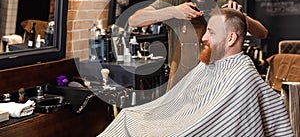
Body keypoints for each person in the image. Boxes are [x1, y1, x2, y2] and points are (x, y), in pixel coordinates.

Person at [98, 8, 292, 137]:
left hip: (185, 129)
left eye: (212, 32)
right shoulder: (208, 64)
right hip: (176, 121)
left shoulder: (242, 76)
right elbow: (135, 19)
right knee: (128, 116)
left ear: (231, 38)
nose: (204, 38)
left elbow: (213, 125)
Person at [128, 0, 269, 90]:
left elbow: (262, 33)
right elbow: (134, 20)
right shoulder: (175, 0)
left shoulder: (220, 3)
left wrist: (241, 16)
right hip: (178, 84)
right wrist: (173, 12)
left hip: (212, 84)